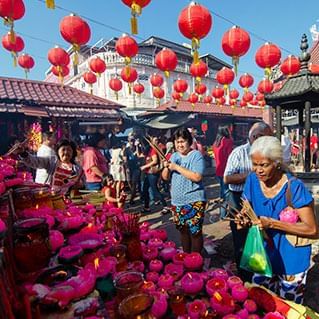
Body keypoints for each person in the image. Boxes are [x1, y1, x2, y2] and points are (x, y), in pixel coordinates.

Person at [239, 136, 318, 303]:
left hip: (291, 257)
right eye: (255, 164)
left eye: (263, 165)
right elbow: (246, 208)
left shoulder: (293, 187)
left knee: (287, 306)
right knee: (260, 300)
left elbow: (312, 229)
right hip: (263, 252)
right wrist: (243, 219)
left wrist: (273, 223)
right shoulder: (252, 180)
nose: (258, 170)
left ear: (276, 162)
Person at [223, 121, 273, 280]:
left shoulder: (271, 154)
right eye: (257, 137)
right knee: (242, 240)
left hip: (262, 198)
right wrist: (252, 174)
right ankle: (244, 278)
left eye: (266, 138)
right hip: (239, 199)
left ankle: (262, 275)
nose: (261, 141)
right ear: (252, 137)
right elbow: (227, 178)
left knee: (262, 237)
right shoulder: (239, 153)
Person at [162, 128, 207, 253]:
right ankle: (187, 258)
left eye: (182, 141)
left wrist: (176, 167)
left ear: (189, 141)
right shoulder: (174, 156)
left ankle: (196, 260)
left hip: (194, 200)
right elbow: (165, 177)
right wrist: (166, 168)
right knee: (183, 231)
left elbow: (197, 177)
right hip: (177, 202)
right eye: (177, 142)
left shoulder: (196, 155)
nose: (179, 145)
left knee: (195, 232)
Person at [13, 139, 82, 194]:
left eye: (69, 150)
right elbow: (35, 161)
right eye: (63, 149)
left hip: (67, 199)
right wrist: (22, 153)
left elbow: (81, 186)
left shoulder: (77, 168)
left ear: (73, 153)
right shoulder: (51, 161)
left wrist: (79, 185)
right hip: (50, 197)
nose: (66, 152)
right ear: (58, 151)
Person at [140, 136, 169, 214]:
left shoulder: (153, 150)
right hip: (148, 173)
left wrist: (144, 166)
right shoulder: (148, 150)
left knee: (155, 190)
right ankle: (146, 207)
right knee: (145, 190)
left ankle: (166, 206)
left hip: (152, 173)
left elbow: (155, 161)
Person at [212, 126, 233, 218]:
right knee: (227, 193)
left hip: (218, 170)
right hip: (226, 170)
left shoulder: (216, 143)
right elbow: (230, 156)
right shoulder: (228, 141)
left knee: (222, 192)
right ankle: (224, 214)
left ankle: (222, 213)